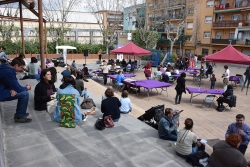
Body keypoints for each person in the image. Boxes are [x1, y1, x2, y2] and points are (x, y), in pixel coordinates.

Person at [0, 57, 32, 123]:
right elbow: (19, 88)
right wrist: (27, 88)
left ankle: (21, 112)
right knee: (25, 94)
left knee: (20, 91)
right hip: (1, 92)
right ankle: (19, 116)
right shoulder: (8, 72)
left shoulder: (5, 66)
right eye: (21, 67)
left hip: (3, 88)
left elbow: (8, 81)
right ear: (16, 65)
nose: (21, 69)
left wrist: (12, 88)